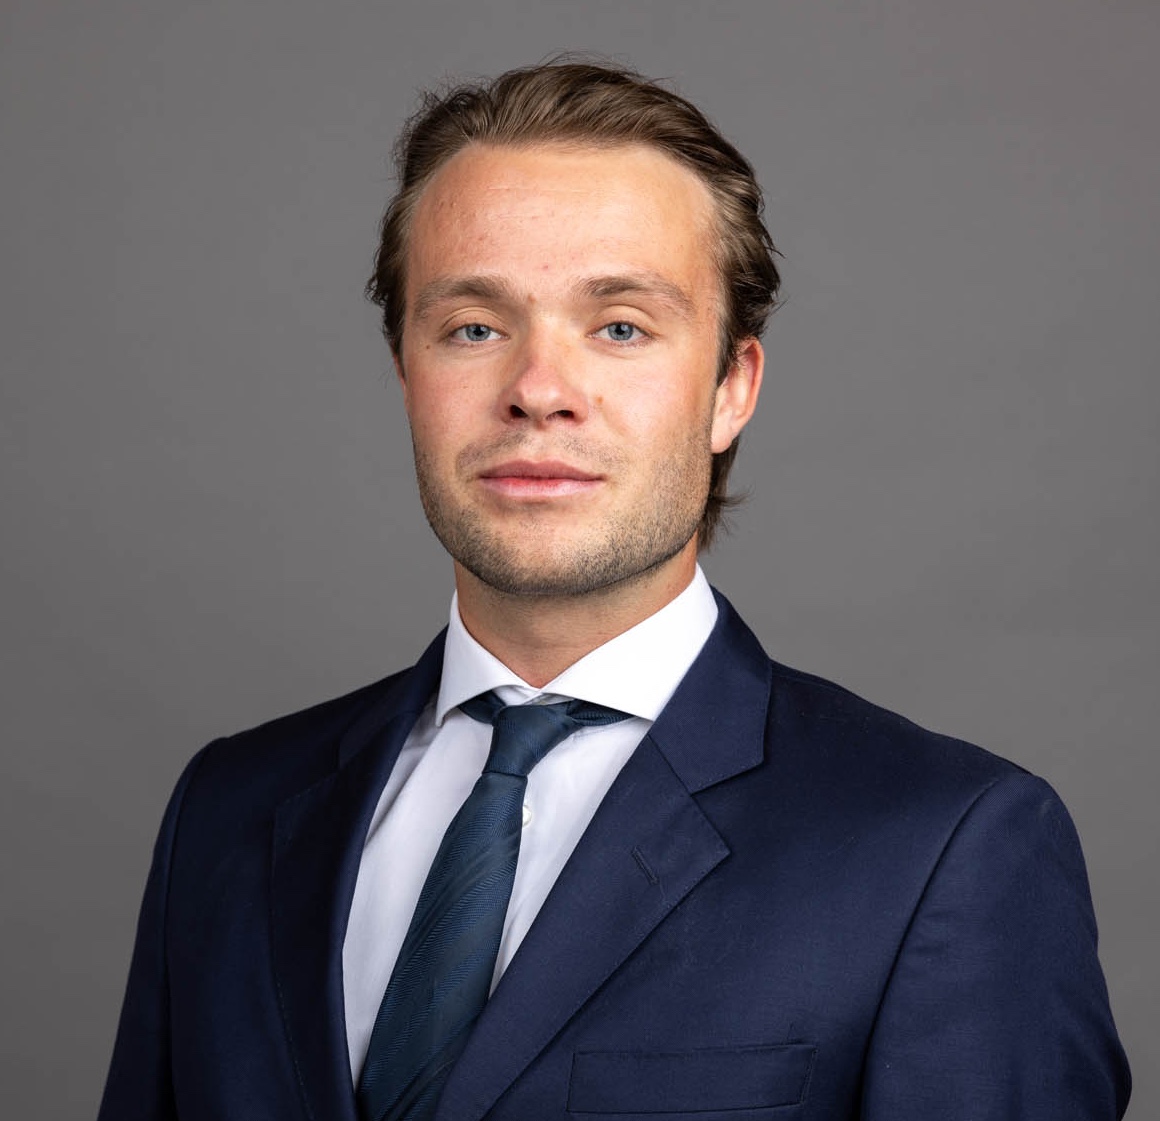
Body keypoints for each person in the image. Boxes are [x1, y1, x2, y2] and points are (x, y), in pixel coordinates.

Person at [98, 61, 1130, 1121]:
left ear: (731, 387)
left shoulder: (943, 846)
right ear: (406, 371)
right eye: (473, 326)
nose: (538, 390)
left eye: (621, 326)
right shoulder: (226, 811)